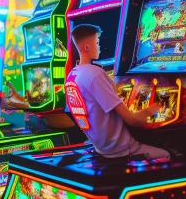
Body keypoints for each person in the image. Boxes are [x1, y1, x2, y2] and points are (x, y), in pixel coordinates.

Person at [65, 24, 170, 161]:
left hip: (100, 145)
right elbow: (132, 121)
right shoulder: (95, 74)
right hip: (120, 149)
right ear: (86, 47)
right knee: (168, 154)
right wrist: (152, 110)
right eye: (97, 42)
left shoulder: (72, 75)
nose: (99, 46)